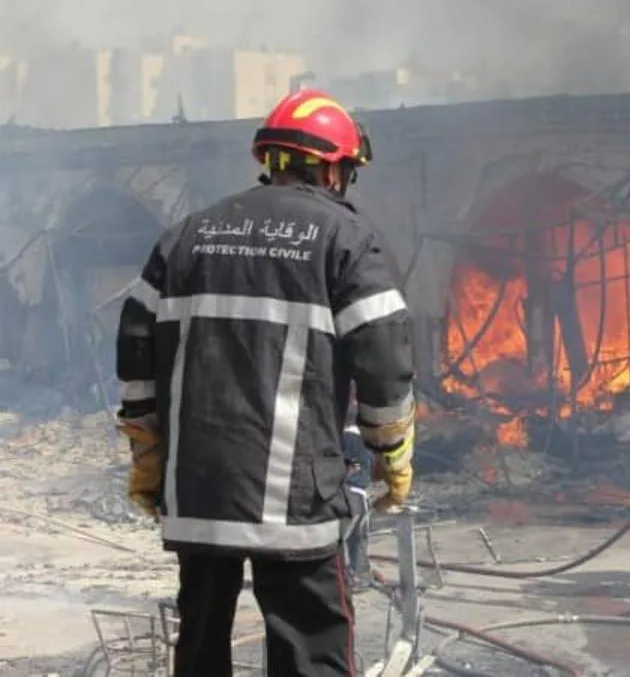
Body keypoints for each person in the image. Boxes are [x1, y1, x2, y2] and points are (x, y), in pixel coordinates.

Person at [114, 89, 417, 677]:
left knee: (200, 643)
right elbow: (383, 357)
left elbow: (135, 355)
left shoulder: (185, 236)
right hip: (292, 500)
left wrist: (149, 459)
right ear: (333, 169)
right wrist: (392, 452)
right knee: (311, 646)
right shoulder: (345, 238)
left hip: (198, 492)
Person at [341, 423, 374, 590]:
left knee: (338, 540)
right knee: (358, 539)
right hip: (361, 496)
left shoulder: (343, 438)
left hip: (346, 495)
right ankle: (359, 577)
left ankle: (342, 579)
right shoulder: (368, 442)